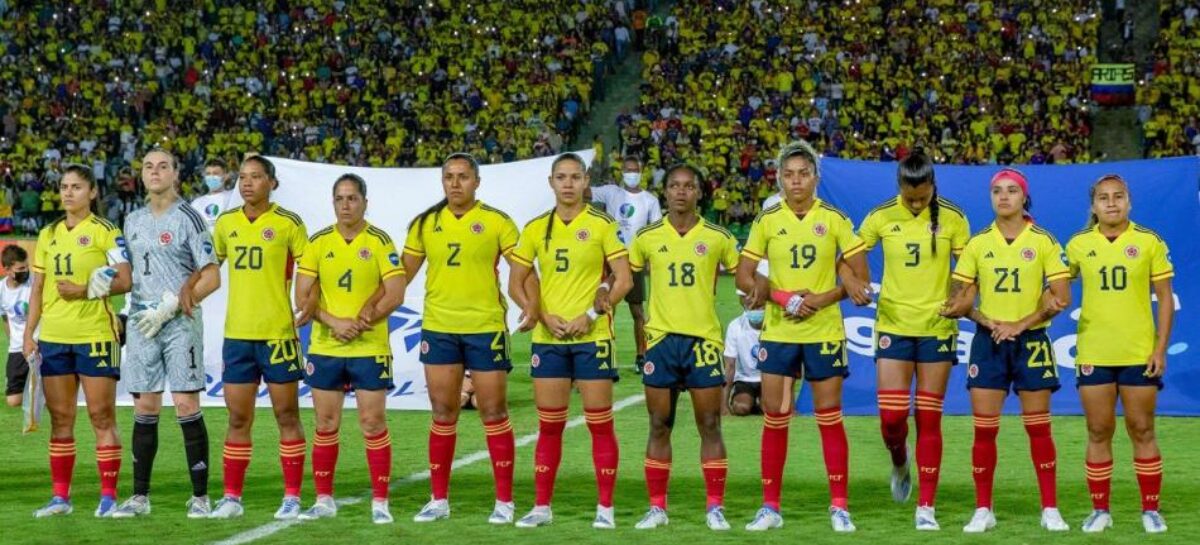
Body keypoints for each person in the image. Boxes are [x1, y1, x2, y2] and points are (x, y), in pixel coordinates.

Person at [736, 140, 872, 533]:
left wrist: (820, 299)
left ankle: (840, 507)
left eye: (804, 174)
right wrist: (784, 298)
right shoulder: (767, 220)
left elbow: (861, 278)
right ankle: (770, 507)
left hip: (823, 330)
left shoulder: (835, 219)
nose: (796, 181)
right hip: (779, 330)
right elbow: (744, 276)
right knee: (775, 416)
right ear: (780, 179)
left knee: (829, 418)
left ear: (816, 177)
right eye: (789, 174)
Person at [942, 168, 1072, 533]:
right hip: (989, 342)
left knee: (1039, 428)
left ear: (1024, 197)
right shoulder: (978, 243)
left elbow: (1061, 297)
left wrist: (1020, 324)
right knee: (984, 430)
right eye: (997, 190)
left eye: (1012, 190)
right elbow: (957, 298)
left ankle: (1050, 508)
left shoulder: (1044, 241)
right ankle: (983, 509)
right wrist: (985, 319)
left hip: (1032, 343)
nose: (1003, 196)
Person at [403, 153, 530, 525]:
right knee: (443, 413)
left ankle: (504, 502)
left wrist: (532, 303)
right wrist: (370, 308)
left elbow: (523, 268)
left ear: (477, 181)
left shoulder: (497, 221)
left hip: (485, 327)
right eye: (449, 177)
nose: (455, 183)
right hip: (440, 327)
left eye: (463, 176)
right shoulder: (425, 223)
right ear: (442, 181)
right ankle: (438, 500)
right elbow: (400, 275)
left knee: (494, 413)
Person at [508, 152, 633, 529]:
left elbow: (624, 279)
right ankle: (541, 507)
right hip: (549, 338)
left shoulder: (603, 224)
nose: (567, 184)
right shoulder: (535, 228)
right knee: (549, 425)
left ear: (585, 182)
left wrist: (591, 316)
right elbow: (516, 282)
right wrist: (541, 314)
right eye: (561, 177)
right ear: (551, 182)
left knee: (600, 424)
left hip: (593, 337)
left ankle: (605, 509)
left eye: (575, 177)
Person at [857, 150, 970, 530]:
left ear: (933, 185)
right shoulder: (881, 216)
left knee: (928, 418)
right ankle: (900, 462)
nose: (917, 204)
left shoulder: (953, 218)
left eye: (923, 198)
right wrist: (855, 281)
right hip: (894, 325)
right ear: (899, 187)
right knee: (892, 420)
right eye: (910, 198)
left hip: (937, 328)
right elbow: (851, 253)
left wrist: (958, 297)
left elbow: (967, 270)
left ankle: (926, 507)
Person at [627, 163, 739, 531]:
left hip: (703, 341)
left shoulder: (718, 237)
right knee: (659, 424)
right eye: (674, 185)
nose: (680, 191)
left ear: (699, 193)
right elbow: (626, 275)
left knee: (710, 424)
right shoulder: (646, 237)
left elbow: (744, 273)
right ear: (665, 192)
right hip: (661, 341)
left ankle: (715, 508)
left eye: (688, 186)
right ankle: (657, 508)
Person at [110, 150, 221, 519]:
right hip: (143, 324)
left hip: (179, 324)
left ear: (175, 174)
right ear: (141, 175)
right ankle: (139, 497)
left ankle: (201, 497)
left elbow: (211, 276)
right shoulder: (132, 220)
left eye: (163, 166)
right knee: (144, 406)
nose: (155, 172)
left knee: (186, 404)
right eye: (148, 167)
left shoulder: (189, 217)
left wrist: (171, 307)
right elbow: (129, 276)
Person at [293, 174, 407, 524]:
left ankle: (380, 502)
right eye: (340, 199)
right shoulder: (318, 242)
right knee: (325, 424)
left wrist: (362, 321)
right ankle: (324, 499)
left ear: (365, 203)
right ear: (333, 203)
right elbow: (302, 296)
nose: (346, 205)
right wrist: (335, 322)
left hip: (369, 347)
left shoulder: (380, 241)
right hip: (326, 346)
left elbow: (396, 292)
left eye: (352, 198)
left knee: (372, 423)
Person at [1066, 175, 1173, 534]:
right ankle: (1100, 510)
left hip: (1138, 353)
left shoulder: (1149, 242)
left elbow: (1165, 299)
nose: (1111, 203)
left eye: (1118, 197)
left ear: (1129, 202)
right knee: (1098, 430)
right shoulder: (1078, 244)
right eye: (1103, 198)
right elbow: (1058, 287)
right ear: (1093, 206)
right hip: (1094, 351)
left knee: (1142, 429)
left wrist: (1159, 348)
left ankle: (1151, 510)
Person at [26, 164, 133, 517]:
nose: (68, 193)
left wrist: (84, 290)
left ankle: (108, 498)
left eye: (76, 187)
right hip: (54, 337)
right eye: (64, 187)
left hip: (95, 335)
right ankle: (61, 499)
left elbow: (125, 280)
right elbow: (38, 289)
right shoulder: (48, 234)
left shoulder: (106, 231)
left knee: (101, 416)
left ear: (92, 192)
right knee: (60, 419)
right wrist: (29, 334)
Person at [208, 156, 309, 520]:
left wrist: (308, 304)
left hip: (278, 334)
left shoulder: (289, 223)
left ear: (272, 182)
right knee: (238, 418)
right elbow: (209, 269)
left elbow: (310, 270)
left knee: (287, 415)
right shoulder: (226, 223)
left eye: (255, 177)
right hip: (237, 336)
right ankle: (232, 498)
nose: (247, 183)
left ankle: (292, 497)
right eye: (243, 178)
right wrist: (182, 296)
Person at [590, 155, 662, 373]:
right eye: (627, 170)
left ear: (641, 171)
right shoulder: (611, 192)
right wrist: (585, 166)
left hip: (634, 261)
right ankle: (605, 353)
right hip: (610, 259)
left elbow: (656, 232)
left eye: (634, 170)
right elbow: (584, 191)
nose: (631, 174)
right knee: (607, 308)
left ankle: (641, 355)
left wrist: (650, 258)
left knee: (637, 311)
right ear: (621, 172)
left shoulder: (650, 200)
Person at [723, 289, 764, 416]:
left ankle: (762, 403)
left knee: (770, 409)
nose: (755, 310)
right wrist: (723, 404)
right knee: (741, 408)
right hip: (744, 379)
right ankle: (750, 401)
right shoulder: (735, 326)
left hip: (768, 379)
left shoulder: (774, 326)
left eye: (759, 307)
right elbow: (729, 365)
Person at [1, 245, 32, 407]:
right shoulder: (1, 290)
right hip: (17, 348)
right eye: (21, 268)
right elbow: (5, 319)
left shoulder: (35, 283)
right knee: (13, 401)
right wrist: (13, 341)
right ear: (7, 270)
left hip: (40, 344)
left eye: (27, 267)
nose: (26, 271)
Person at [191, 159, 242, 229]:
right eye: (208, 174)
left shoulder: (234, 196)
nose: (211, 177)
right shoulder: (196, 203)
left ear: (226, 176)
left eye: (215, 174)